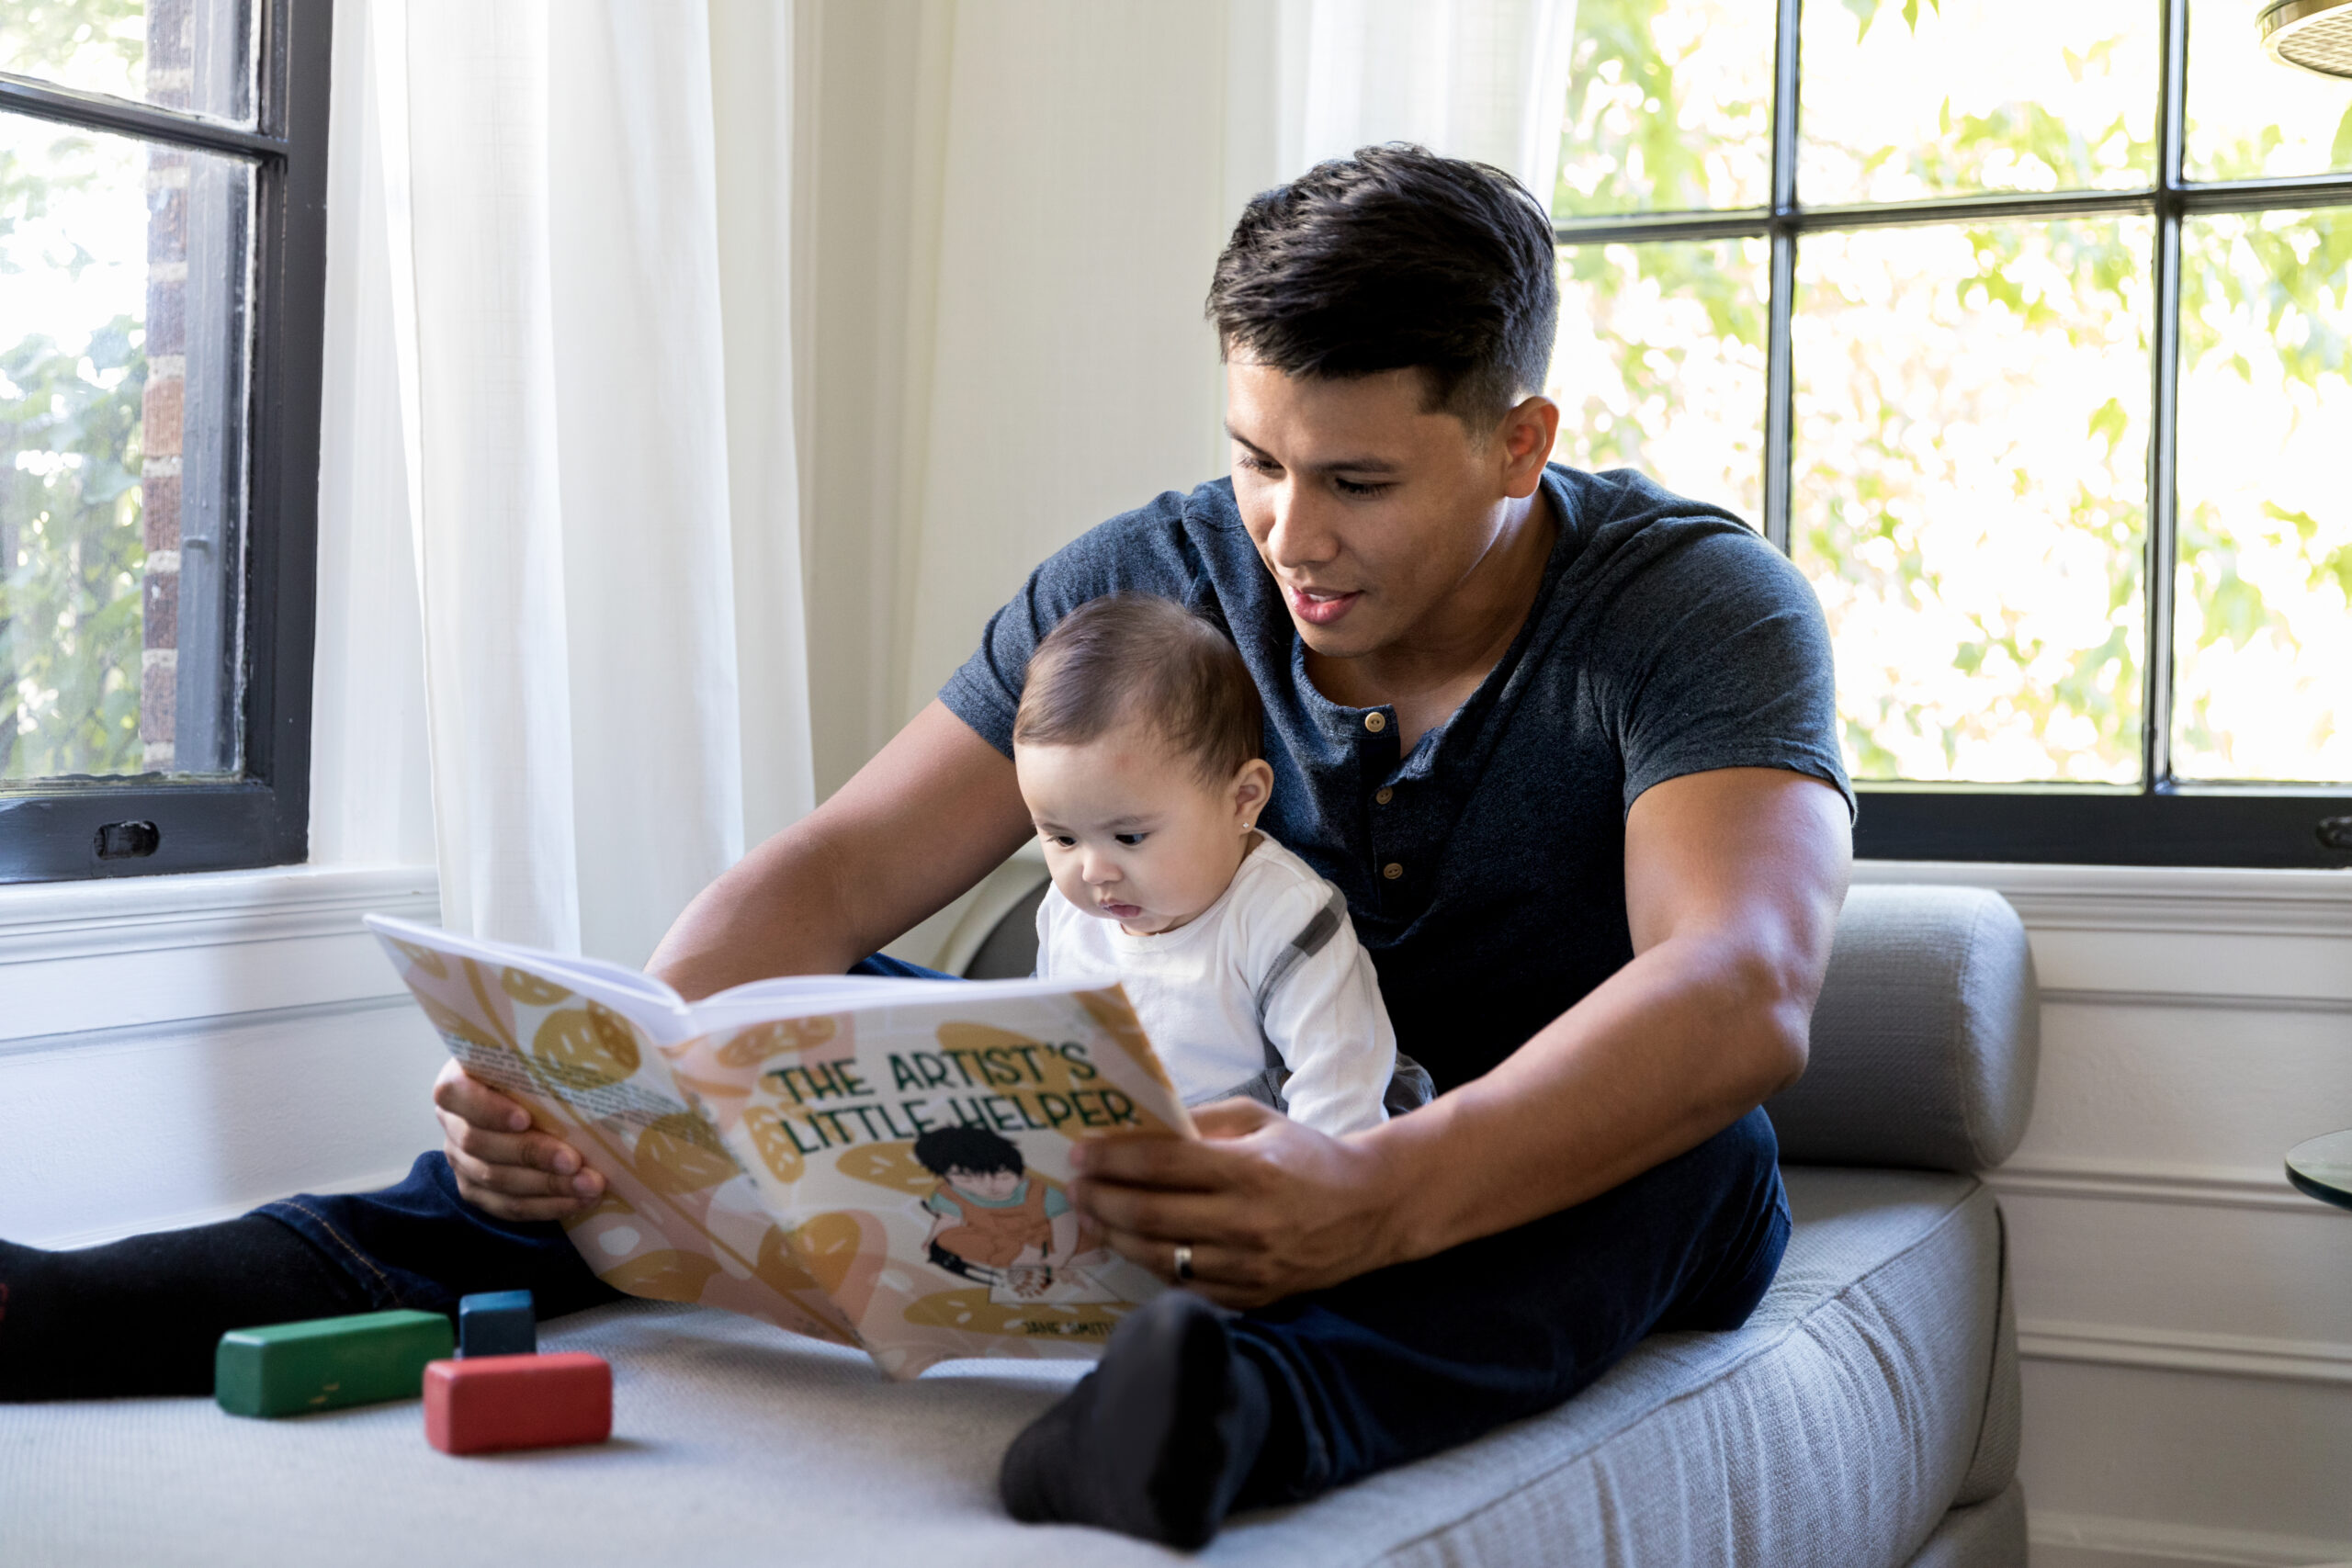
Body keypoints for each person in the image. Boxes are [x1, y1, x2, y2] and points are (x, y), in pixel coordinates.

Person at [0, 143, 1852, 1553]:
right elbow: (832, 871)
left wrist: (1370, 1191)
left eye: (1357, 478)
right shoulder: (1138, 580)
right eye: (1253, 460)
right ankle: (79, 1301)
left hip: (1486, 1159)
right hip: (1169, 1128)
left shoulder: (1691, 611)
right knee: (771, 1031)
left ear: (1516, 440)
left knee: (1700, 1145)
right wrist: (615, 1075)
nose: (1294, 534)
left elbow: (1734, 984)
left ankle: (1230, 1418)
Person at [1014, 590, 1406, 1135]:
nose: (1092, 871)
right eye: (1061, 838)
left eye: (1128, 836)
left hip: (1266, 1176)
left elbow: (1341, 1092)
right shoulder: (1069, 913)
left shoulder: (1284, 918)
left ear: (1243, 799)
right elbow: (1047, 1052)